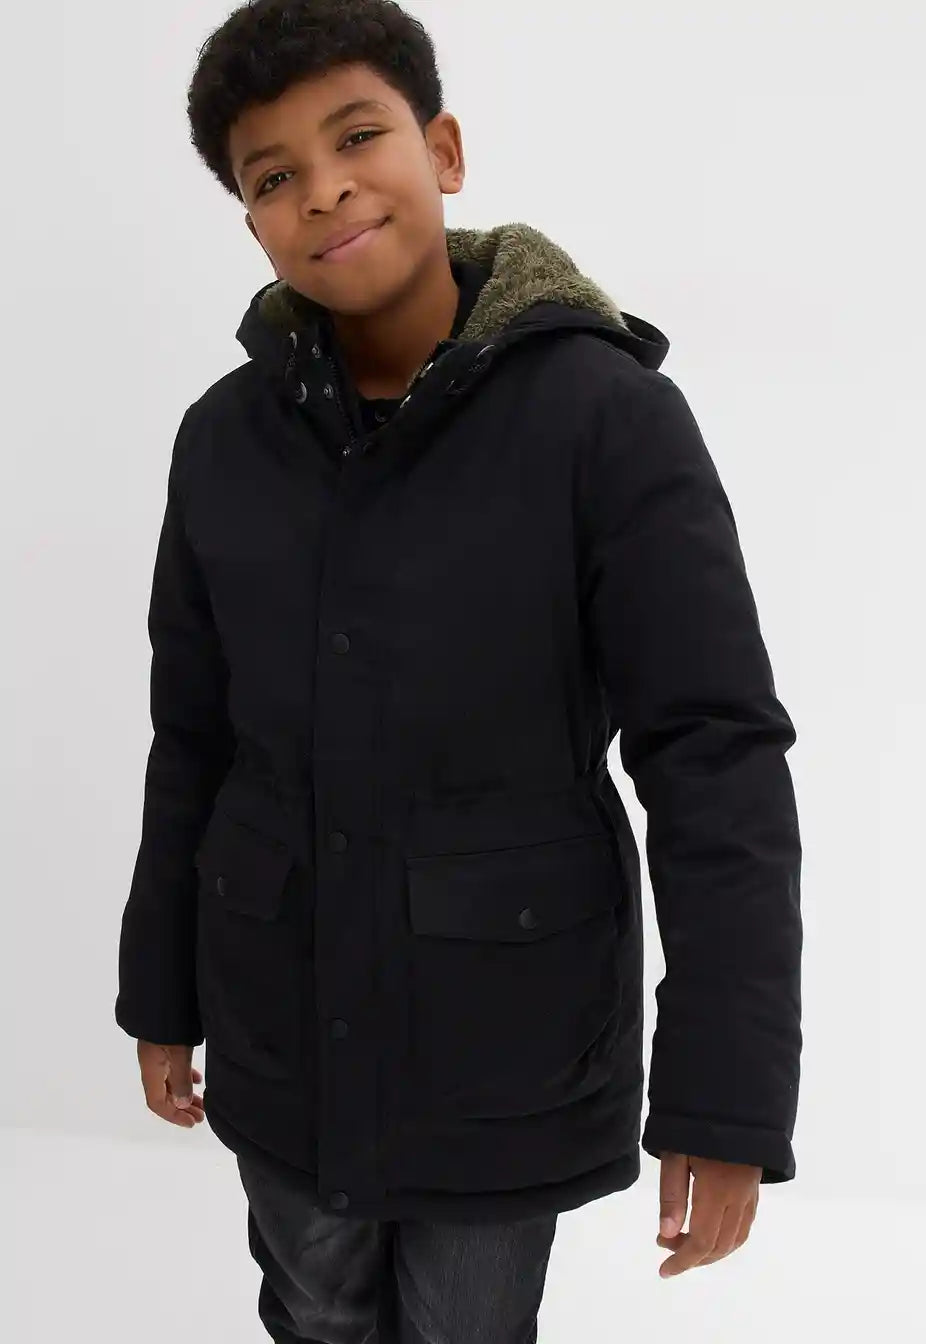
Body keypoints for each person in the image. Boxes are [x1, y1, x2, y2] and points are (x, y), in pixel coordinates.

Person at [114, 1, 804, 1339]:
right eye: (274, 176)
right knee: (311, 1307)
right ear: (251, 222)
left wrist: (725, 1101)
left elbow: (714, 753)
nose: (325, 190)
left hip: (506, 1036)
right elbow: (190, 734)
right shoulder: (223, 440)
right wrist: (162, 992)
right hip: (279, 1016)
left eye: (357, 137)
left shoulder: (606, 419)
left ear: (443, 149)